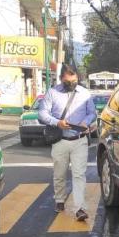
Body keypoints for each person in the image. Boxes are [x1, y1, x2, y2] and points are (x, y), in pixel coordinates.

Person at [38, 65, 96, 222]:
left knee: (79, 174)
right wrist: (57, 122)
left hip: (80, 140)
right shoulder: (52, 93)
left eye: (75, 80)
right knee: (60, 173)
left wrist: (86, 121)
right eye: (68, 81)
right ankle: (60, 200)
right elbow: (42, 113)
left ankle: (80, 208)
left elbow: (92, 112)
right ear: (62, 79)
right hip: (60, 140)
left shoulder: (84, 93)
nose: (72, 84)